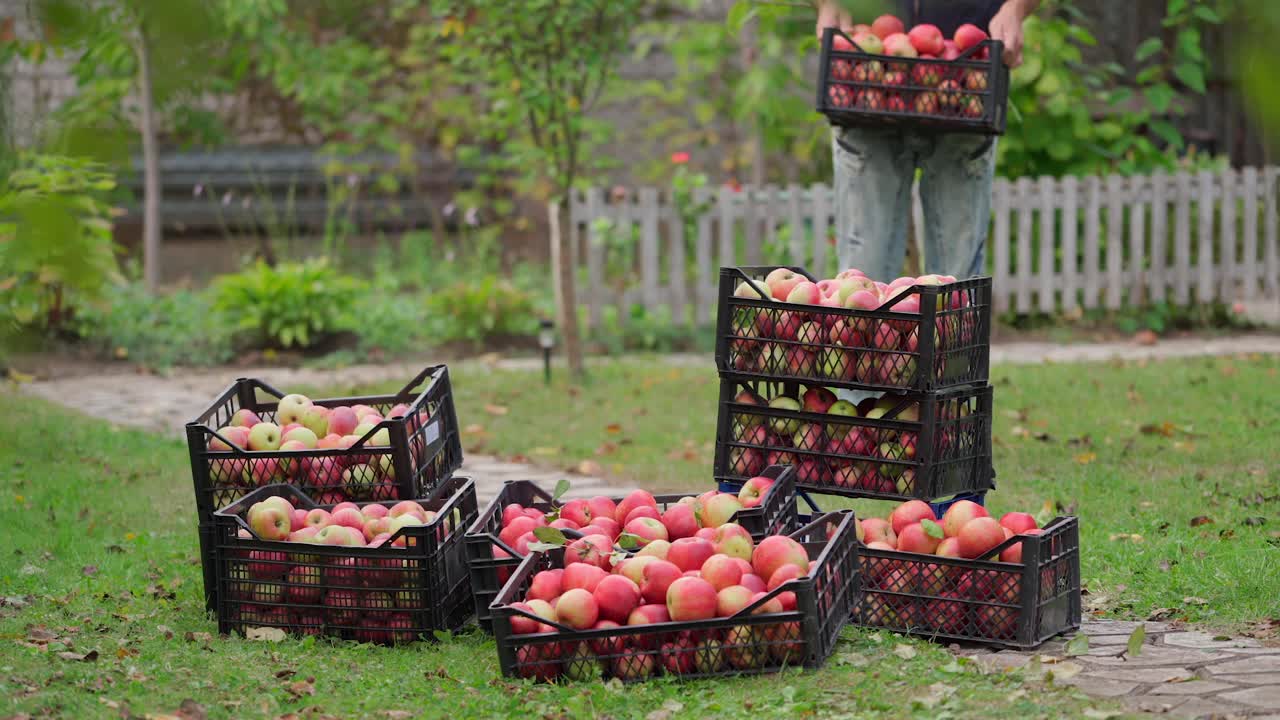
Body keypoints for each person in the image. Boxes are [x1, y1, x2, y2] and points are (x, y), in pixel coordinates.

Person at [816, 0, 1039, 282]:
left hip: (966, 84)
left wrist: (1015, 9)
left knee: (955, 293)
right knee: (861, 283)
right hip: (868, 90)